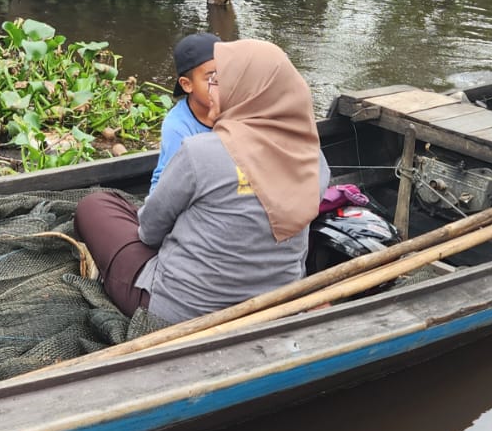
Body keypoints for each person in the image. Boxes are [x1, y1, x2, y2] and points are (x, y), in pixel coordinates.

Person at [75, 39, 330, 326]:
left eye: (222, 81)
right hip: (275, 303)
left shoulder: (201, 151)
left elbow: (149, 233)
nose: (213, 90)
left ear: (247, 91)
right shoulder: (315, 160)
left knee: (94, 205)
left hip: (182, 312)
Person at [150, 32, 218, 191]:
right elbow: (176, 185)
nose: (220, 84)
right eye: (211, 78)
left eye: (225, 73)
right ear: (187, 85)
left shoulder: (236, 109)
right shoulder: (178, 126)